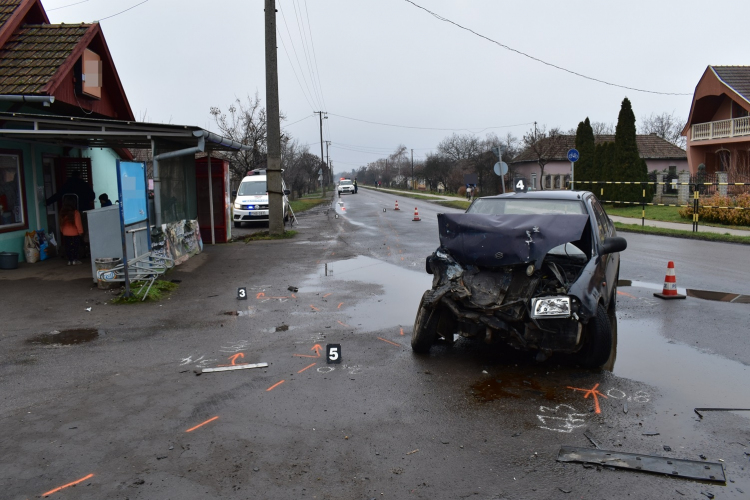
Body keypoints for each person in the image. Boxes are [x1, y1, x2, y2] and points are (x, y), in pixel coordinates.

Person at [60, 198, 83, 265]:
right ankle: (75, 260)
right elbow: (78, 223)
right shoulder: (75, 212)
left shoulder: (62, 213)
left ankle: (70, 260)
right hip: (74, 233)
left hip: (66, 233)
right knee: (75, 247)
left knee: (68, 247)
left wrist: (62, 231)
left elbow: (61, 223)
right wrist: (80, 231)